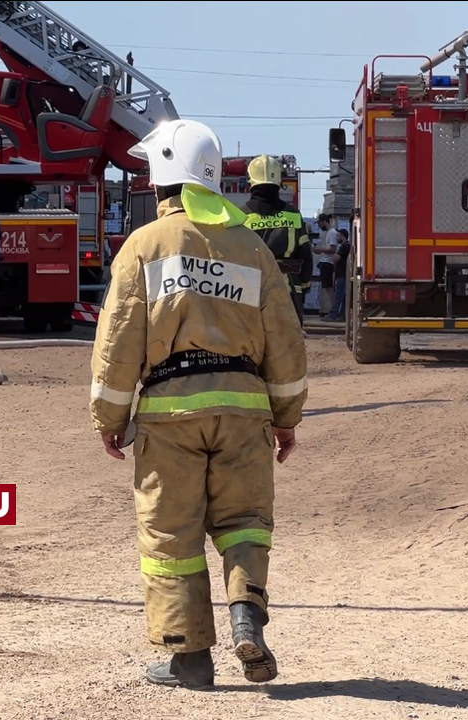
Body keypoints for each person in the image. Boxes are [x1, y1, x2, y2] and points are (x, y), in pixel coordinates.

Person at [89, 119, 308, 690]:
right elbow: (285, 339)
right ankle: (246, 618)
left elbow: (119, 340)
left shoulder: (145, 246)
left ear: (161, 174)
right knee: (243, 522)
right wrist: (285, 418)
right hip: (244, 411)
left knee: (172, 538)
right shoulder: (251, 248)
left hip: (169, 416)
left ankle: (189, 660)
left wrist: (110, 418)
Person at [240, 154, 313, 328]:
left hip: (249, 296)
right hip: (287, 294)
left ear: (250, 182)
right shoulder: (293, 215)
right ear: (279, 182)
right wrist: (303, 288)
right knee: (288, 348)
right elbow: (306, 256)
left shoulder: (240, 215)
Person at [327, 228, 351, 320]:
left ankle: (333, 315)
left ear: (342, 235)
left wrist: (334, 255)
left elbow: (336, 258)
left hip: (342, 275)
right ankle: (342, 316)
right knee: (344, 297)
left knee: (338, 296)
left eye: (338, 236)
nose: (336, 238)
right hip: (343, 275)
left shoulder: (345, 246)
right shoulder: (347, 246)